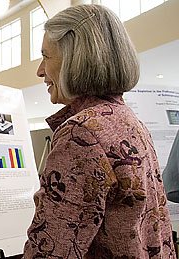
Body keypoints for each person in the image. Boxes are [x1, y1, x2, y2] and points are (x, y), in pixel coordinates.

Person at [23, 4, 176, 258]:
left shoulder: (81, 134)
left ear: (75, 58)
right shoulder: (131, 122)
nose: (40, 70)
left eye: (46, 56)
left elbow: (50, 249)